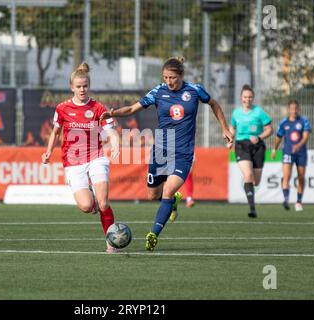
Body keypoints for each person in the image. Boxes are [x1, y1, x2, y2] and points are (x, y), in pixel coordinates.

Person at [100, 57, 233, 251]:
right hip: (161, 150)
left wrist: (225, 129)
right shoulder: (158, 91)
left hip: (184, 152)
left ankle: (153, 234)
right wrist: (113, 113)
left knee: (168, 191)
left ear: (181, 75)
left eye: (172, 77)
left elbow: (214, 104)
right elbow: (132, 108)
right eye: (165, 77)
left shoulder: (194, 90)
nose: (169, 81)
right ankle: (173, 202)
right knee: (153, 195)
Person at [41, 62, 120, 253]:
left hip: (96, 158)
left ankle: (111, 241)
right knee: (86, 206)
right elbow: (56, 132)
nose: (82, 89)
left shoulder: (98, 108)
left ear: (88, 86)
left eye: (85, 86)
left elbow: (112, 132)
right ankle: (91, 197)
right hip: (73, 163)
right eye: (78, 86)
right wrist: (49, 152)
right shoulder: (62, 108)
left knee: (103, 203)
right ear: (72, 88)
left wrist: (115, 145)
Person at [229, 85, 273, 218]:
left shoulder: (259, 112)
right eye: (245, 97)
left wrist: (259, 137)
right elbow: (232, 127)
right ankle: (252, 208)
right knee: (248, 175)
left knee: (256, 181)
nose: (247, 100)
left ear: (252, 98)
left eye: (249, 97)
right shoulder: (236, 113)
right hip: (242, 145)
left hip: (257, 146)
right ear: (241, 98)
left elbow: (269, 129)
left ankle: (249, 188)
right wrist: (230, 139)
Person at [271, 100, 311, 212]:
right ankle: (286, 199)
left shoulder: (304, 121)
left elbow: (305, 136)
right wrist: (274, 149)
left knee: (301, 177)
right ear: (288, 109)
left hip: (301, 153)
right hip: (288, 152)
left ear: (299, 109)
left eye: (296, 108)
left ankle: (298, 202)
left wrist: (298, 146)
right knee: (286, 176)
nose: (294, 111)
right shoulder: (284, 123)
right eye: (292, 108)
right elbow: (278, 137)